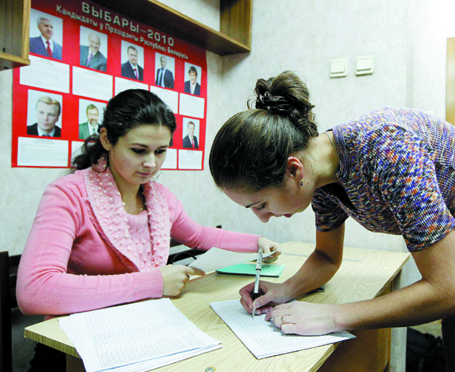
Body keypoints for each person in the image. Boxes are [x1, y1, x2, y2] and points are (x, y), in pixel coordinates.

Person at [208, 71, 455, 371]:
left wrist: (334, 316)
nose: (264, 218)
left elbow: (450, 290)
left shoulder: (387, 150)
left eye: (260, 204)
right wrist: (284, 289)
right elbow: (326, 257)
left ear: (293, 170)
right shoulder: (319, 179)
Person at [17, 89, 280, 370]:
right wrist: (153, 282)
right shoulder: (68, 194)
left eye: (160, 151)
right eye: (138, 151)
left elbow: (199, 235)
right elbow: (35, 290)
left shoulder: (158, 196)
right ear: (106, 139)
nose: (151, 164)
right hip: (76, 347)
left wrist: (257, 241)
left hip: (142, 332)